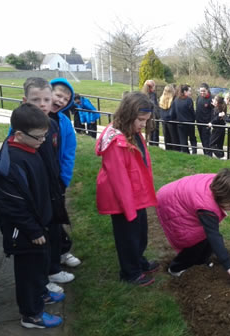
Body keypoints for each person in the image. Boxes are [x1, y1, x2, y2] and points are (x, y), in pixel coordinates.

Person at [0, 104, 64, 329]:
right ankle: (32, 314)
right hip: (24, 231)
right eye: (39, 137)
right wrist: (33, 230)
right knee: (28, 271)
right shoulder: (8, 166)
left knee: (40, 263)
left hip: (39, 223)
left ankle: (42, 292)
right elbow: (13, 206)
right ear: (19, 135)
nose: (43, 141)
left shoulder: (30, 149)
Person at [95, 92, 159, 286]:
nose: (143, 125)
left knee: (140, 233)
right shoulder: (116, 142)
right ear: (128, 115)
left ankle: (138, 261)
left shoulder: (132, 133)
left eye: (146, 121)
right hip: (123, 199)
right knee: (127, 237)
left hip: (136, 194)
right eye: (140, 120)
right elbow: (119, 179)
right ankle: (130, 272)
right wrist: (129, 208)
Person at [156, 168, 230, 286]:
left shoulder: (220, 184)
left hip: (181, 196)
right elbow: (214, 236)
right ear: (224, 196)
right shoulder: (207, 206)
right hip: (171, 205)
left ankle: (200, 262)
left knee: (205, 235)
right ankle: (176, 268)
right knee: (193, 240)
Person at [22, 77, 72, 294]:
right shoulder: (24, 125)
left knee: (53, 225)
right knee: (40, 232)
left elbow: (65, 153)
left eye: (46, 99)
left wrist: (62, 180)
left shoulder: (56, 123)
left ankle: (54, 264)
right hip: (35, 190)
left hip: (53, 184)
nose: (45, 103)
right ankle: (44, 276)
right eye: (38, 99)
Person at [49, 78, 80, 283]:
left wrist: (64, 179)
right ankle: (51, 263)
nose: (61, 100)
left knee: (57, 215)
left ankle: (62, 251)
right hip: (39, 179)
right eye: (58, 95)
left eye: (66, 99)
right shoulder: (32, 117)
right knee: (47, 221)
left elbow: (69, 152)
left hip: (56, 179)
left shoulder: (63, 123)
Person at [171, 84, 197, 154]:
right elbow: (192, 112)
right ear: (185, 91)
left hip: (180, 123)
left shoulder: (176, 100)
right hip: (189, 123)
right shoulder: (189, 100)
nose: (190, 93)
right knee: (192, 138)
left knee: (183, 140)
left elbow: (173, 112)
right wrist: (194, 118)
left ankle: (186, 153)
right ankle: (194, 152)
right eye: (189, 91)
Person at [159, 84, 180, 151]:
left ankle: (168, 150)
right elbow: (173, 112)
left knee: (167, 137)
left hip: (164, 120)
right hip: (172, 121)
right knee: (174, 137)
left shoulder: (161, 98)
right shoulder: (174, 99)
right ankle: (175, 150)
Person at [196, 83, 213, 156]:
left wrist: (211, 122)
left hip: (206, 124)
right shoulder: (199, 98)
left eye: (204, 91)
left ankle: (209, 155)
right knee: (203, 140)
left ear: (207, 90)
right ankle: (205, 155)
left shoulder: (211, 99)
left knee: (207, 141)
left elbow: (213, 112)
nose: (202, 93)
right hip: (199, 123)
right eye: (201, 91)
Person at [142, 79, 160, 146]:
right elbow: (154, 106)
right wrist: (158, 116)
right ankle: (155, 145)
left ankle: (150, 144)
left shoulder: (143, 94)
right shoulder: (153, 95)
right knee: (154, 133)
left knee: (149, 132)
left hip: (147, 116)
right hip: (153, 116)